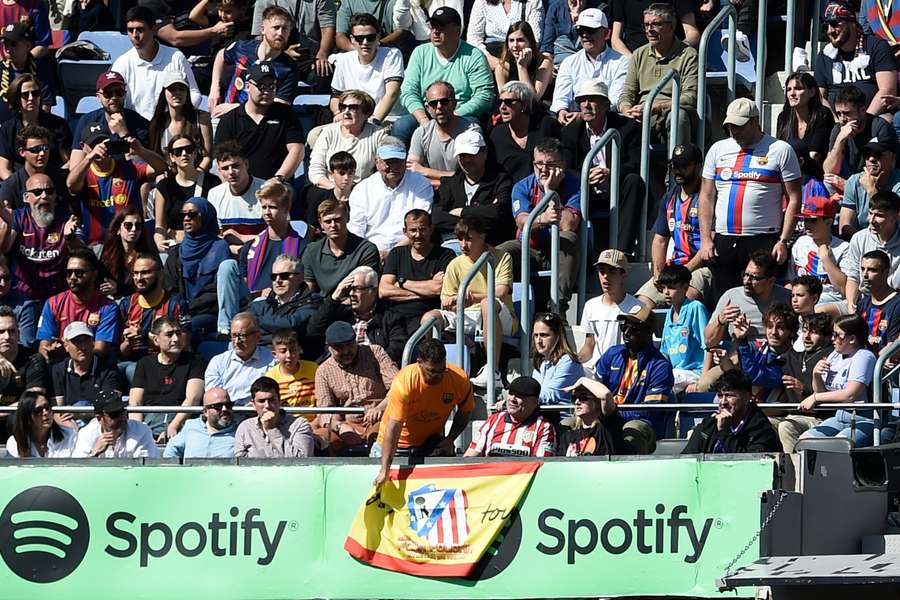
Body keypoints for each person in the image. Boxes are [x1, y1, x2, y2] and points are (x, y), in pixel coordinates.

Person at [698, 98, 803, 300]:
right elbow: (706, 195)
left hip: (762, 236)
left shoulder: (780, 150)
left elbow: (794, 199)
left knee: (762, 295)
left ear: (755, 122)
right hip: (725, 236)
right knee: (725, 297)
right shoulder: (718, 149)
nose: (735, 131)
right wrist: (705, 239)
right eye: (730, 126)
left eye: (740, 126)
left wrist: (783, 240)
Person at [423, 215, 517, 388]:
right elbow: (446, 298)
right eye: (460, 239)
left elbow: (502, 292)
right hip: (466, 315)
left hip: (498, 314)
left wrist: (472, 297)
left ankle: (493, 371)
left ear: (483, 236)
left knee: (486, 304)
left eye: (469, 239)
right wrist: (450, 301)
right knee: (429, 318)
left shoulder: (502, 257)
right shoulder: (455, 263)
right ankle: (429, 366)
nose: (463, 244)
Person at [372, 339, 474, 489]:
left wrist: (450, 438)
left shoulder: (459, 379)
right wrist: (385, 469)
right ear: (419, 363)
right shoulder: (405, 381)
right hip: (396, 446)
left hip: (429, 447)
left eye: (442, 370)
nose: (438, 376)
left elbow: (466, 411)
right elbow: (394, 427)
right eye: (432, 371)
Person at [561, 79, 645, 255]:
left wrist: (611, 173)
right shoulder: (570, 132)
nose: (586, 105)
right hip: (586, 190)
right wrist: (586, 176)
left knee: (634, 182)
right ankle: (573, 255)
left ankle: (622, 252)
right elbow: (566, 168)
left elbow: (635, 163)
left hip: (617, 186)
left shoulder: (628, 127)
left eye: (592, 99)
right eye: (582, 101)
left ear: (606, 104)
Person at [500, 137, 581, 313]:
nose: (544, 169)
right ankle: (499, 304)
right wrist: (544, 218)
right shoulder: (522, 186)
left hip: (559, 249)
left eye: (550, 164)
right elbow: (522, 222)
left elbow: (568, 224)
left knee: (569, 238)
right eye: (538, 164)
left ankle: (557, 307)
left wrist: (549, 191)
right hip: (528, 249)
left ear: (563, 164)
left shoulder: (574, 184)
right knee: (500, 252)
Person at [0, 173, 79, 347]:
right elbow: (3, 249)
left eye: (48, 191)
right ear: (26, 197)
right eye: (37, 192)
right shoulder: (19, 218)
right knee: (27, 346)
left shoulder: (65, 219)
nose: (44, 196)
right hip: (23, 299)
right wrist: (6, 225)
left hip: (57, 299)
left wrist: (70, 238)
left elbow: (82, 257)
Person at [396, 7, 495, 144]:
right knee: (402, 126)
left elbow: (484, 96)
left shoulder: (474, 56)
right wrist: (424, 120)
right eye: (433, 27)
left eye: (441, 27)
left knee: (471, 129)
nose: (435, 31)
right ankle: (397, 164)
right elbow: (408, 91)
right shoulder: (420, 53)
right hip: (427, 113)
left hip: (461, 114)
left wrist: (452, 116)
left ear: (457, 30)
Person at [635, 143, 709, 308]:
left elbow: (709, 244)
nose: (677, 170)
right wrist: (658, 274)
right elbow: (660, 240)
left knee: (684, 300)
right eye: (674, 165)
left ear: (699, 167)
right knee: (640, 306)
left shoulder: (708, 196)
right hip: (675, 266)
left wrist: (683, 272)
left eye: (684, 166)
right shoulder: (669, 198)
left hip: (702, 267)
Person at [66, 128, 167, 248]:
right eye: (94, 145)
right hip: (95, 246)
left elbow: (161, 168)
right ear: (83, 146)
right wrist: (89, 157)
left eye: (104, 143)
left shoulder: (130, 168)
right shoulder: (83, 174)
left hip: (128, 244)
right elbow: (71, 184)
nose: (100, 148)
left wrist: (141, 150)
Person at [617, 3, 698, 147]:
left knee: (677, 117)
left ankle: (676, 167)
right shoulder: (638, 54)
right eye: (646, 25)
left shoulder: (688, 55)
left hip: (670, 112)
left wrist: (656, 107)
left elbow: (690, 97)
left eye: (656, 24)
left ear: (671, 27)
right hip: (641, 116)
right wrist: (627, 110)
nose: (649, 30)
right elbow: (626, 93)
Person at [594, 304, 673, 450]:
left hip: (642, 423)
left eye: (634, 328)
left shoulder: (660, 366)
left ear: (649, 332)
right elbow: (594, 389)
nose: (627, 332)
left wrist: (613, 412)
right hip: (607, 414)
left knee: (632, 429)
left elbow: (651, 410)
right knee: (571, 423)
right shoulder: (612, 354)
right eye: (624, 326)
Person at [314, 321, 398, 453]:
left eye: (349, 345)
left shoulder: (375, 352)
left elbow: (398, 387)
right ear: (329, 348)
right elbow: (325, 410)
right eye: (339, 348)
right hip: (347, 424)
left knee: (382, 434)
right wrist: (340, 427)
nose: (346, 351)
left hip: (380, 419)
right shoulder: (323, 371)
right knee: (321, 438)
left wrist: (380, 408)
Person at [213, 62, 305, 182]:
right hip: (241, 186)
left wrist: (278, 179)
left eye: (271, 87)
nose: (266, 91)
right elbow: (222, 160)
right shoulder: (230, 120)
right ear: (247, 86)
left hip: (278, 187)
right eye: (261, 86)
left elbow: (297, 150)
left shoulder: (286, 114)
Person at [111, 6, 202, 121]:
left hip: (170, 127)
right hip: (136, 130)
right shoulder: (122, 63)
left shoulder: (175, 57)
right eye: (130, 30)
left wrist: (179, 117)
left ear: (154, 29)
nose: (135, 35)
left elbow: (194, 94)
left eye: (140, 29)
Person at [800, 314, 878, 447]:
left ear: (852, 338)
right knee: (805, 442)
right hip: (839, 418)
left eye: (837, 335)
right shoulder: (835, 354)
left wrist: (815, 397)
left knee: (837, 446)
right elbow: (822, 391)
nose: (832, 339)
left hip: (862, 419)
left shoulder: (864, 357)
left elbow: (850, 395)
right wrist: (816, 375)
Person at [347, 137, 433, 255]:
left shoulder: (420, 183)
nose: (393, 167)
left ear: (405, 161)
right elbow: (356, 230)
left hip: (410, 250)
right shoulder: (362, 189)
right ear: (377, 162)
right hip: (370, 251)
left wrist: (391, 254)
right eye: (388, 162)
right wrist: (370, 253)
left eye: (397, 161)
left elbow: (421, 225)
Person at [307, 266, 407, 364]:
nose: (351, 293)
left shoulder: (390, 317)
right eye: (349, 289)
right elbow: (313, 330)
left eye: (357, 289)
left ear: (373, 291)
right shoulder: (340, 313)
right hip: (337, 370)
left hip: (374, 371)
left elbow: (397, 349)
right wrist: (334, 297)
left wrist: (368, 365)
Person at [210, 5, 299, 114]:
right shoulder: (243, 48)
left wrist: (233, 108)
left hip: (260, 124)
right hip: (226, 117)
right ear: (262, 29)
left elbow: (279, 106)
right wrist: (214, 88)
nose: (280, 33)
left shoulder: (289, 68)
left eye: (285, 29)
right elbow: (221, 55)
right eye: (276, 27)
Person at [162, 197, 233, 334]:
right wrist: (181, 306)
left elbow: (218, 289)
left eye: (193, 214)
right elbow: (169, 286)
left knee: (187, 329)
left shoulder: (219, 248)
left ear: (206, 216)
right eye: (183, 214)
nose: (187, 218)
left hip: (210, 312)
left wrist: (191, 306)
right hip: (181, 312)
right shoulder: (177, 252)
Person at [128, 316, 204, 442]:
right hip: (150, 419)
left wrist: (173, 426)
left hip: (181, 418)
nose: (176, 339)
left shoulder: (195, 361)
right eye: (169, 334)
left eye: (178, 333)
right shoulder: (144, 364)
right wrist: (139, 432)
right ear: (156, 340)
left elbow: (192, 400)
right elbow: (135, 402)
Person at [432, 129, 515, 244]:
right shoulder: (450, 183)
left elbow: (498, 213)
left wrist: (462, 212)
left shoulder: (501, 180)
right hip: (453, 243)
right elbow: (436, 217)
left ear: (484, 153)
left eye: (471, 155)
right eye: (462, 155)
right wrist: (479, 219)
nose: (466, 160)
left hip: (490, 246)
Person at [379, 209, 455, 334]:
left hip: (424, 317)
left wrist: (403, 283)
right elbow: (383, 291)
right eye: (413, 230)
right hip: (394, 318)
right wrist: (425, 292)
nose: (418, 235)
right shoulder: (396, 254)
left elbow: (438, 288)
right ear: (405, 232)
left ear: (431, 229)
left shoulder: (445, 255)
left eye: (423, 229)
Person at [814, 1, 897, 115]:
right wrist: (837, 123)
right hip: (837, 123)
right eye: (825, 26)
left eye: (834, 23)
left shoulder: (877, 47)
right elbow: (820, 97)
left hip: (874, 118)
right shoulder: (825, 56)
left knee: (886, 121)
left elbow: (887, 91)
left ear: (852, 22)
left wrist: (864, 121)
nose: (830, 30)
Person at [232, 180, 309, 301]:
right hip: (252, 304)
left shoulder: (303, 247)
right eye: (264, 207)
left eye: (272, 207)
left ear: (286, 208)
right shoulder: (249, 247)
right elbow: (244, 287)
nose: (267, 212)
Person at [37, 249, 121, 360]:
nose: (72, 277)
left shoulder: (108, 307)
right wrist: (50, 352)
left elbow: (100, 351)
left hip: (92, 367)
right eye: (69, 273)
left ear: (94, 274)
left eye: (79, 273)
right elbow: (43, 348)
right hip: (58, 365)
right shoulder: (53, 303)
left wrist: (66, 353)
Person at [550, 9, 630, 125]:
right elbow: (560, 97)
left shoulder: (622, 62)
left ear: (606, 33)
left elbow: (615, 100)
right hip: (573, 124)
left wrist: (584, 114)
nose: (585, 35)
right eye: (581, 30)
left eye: (591, 30)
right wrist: (561, 111)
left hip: (607, 122)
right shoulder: (569, 62)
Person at [706, 250, 793, 347]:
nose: (747, 281)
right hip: (741, 352)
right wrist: (720, 321)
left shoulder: (787, 298)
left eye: (754, 278)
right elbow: (709, 341)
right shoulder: (731, 297)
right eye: (746, 274)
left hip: (778, 355)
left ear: (770, 281)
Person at [682, 370, 782, 454]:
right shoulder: (709, 424)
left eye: (729, 396)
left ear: (747, 397)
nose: (723, 402)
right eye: (720, 396)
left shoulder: (761, 430)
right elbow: (686, 459)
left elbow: (749, 466)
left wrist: (724, 432)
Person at [330, 13, 404, 126]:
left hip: (386, 119)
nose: (365, 42)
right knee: (313, 135)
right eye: (359, 38)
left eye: (370, 38)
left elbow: (392, 93)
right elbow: (335, 98)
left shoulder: (392, 54)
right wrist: (339, 113)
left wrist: (374, 121)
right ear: (352, 39)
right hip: (352, 121)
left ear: (378, 37)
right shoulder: (344, 60)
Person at [69, 70, 151, 171]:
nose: (114, 97)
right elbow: (74, 168)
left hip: (129, 180)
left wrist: (124, 133)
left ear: (124, 94)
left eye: (119, 92)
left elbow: (140, 167)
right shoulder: (87, 121)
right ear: (98, 97)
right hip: (97, 178)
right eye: (108, 93)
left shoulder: (138, 122)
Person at [152, 134, 221, 252]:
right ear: (172, 157)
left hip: (206, 245)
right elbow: (160, 227)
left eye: (188, 150)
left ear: (195, 153)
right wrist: (160, 242)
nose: (184, 154)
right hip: (174, 246)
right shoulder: (165, 186)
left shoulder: (213, 182)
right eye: (178, 151)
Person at [577, 249, 642, 373]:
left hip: (625, 370)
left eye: (612, 272)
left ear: (623, 275)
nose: (606, 277)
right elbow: (589, 345)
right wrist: (574, 359)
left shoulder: (637, 307)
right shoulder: (590, 306)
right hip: (596, 369)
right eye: (602, 271)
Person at [119, 253, 190, 365]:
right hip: (130, 361)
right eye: (135, 273)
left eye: (145, 273)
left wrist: (144, 336)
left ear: (160, 274)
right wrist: (128, 342)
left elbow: (183, 345)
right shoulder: (126, 304)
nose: (139, 278)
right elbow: (121, 352)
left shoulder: (175, 303)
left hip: (163, 363)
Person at [302, 199, 381, 296]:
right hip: (320, 307)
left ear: (347, 218)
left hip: (353, 304)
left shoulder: (366, 250)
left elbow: (364, 293)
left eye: (337, 220)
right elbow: (308, 291)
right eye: (327, 221)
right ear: (321, 223)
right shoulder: (312, 251)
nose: (333, 225)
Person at [249, 0, 336, 87]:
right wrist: (282, 55)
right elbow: (259, 38)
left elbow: (328, 26)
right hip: (276, 57)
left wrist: (322, 55)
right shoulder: (264, 1)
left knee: (324, 71)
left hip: (312, 57)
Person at [779, 313, 834, 451]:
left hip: (820, 418)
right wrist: (742, 341)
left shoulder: (832, 357)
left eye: (814, 332)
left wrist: (804, 389)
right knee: (763, 424)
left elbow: (833, 395)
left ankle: (794, 471)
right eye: (805, 331)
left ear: (827, 337)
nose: (807, 336)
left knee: (786, 426)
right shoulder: (793, 357)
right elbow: (757, 374)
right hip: (792, 415)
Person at [408, 81, 480, 187]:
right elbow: (411, 171)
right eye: (433, 104)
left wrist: (426, 172)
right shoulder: (421, 133)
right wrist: (449, 180)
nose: (439, 107)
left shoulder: (471, 131)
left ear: (454, 103)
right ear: (427, 108)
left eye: (444, 102)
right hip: (431, 193)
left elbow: (471, 175)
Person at [309, 89, 386, 187]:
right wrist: (334, 188)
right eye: (343, 107)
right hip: (330, 187)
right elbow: (315, 169)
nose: (346, 112)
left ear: (366, 113)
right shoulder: (329, 131)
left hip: (363, 190)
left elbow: (385, 168)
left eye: (353, 108)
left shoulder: (378, 134)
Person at [465, 375, 556, 457]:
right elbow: (470, 456)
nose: (512, 399)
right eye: (511, 393)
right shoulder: (493, 420)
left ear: (535, 402)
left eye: (520, 396)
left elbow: (541, 464)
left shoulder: (544, 427)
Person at [0, 74, 70, 180]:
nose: (31, 98)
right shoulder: (7, 129)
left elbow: (68, 162)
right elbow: (4, 169)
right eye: (25, 95)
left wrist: (50, 183)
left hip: (52, 184)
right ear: (17, 98)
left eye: (35, 93)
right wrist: (18, 188)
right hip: (18, 184)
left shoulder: (58, 125)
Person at [823, 85, 897, 184]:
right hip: (852, 178)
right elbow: (829, 170)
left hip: (877, 182)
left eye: (847, 113)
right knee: (828, 180)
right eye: (839, 114)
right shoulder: (838, 129)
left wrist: (849, 185)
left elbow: (884, 171)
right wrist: (840, 140)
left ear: (862, 110)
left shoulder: (880, 128)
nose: (842, 119)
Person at [489, 80, 560, 182]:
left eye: (509, 102)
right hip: (510, 193)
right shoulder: (497, 135)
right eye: (500, 102)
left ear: (524, 105)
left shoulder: (546, 126)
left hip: (546, 188)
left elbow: (561, 160)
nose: (502, 107)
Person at [49, 322, 121, 420]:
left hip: (98, 423)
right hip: (68, 423)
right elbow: (58, 410)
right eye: (77, 342)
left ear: (92, 343)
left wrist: (78, 412)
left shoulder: (108, 369)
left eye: (86, 340)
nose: (83, 347)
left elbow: (109, 407)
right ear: (66, 346)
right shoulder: (58, 370)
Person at [844, 191, 900, 312]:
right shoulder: (859, 238)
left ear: (896, 216)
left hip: (895, 303)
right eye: (870, 214)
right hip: (864, 300)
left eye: (879, 215)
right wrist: (851, 305)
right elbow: (853, 277)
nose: (871, 220)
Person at [146, 71, 213, 172]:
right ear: (164, 93)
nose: (177, 93)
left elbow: (207, 157)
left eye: (181, 89)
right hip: (168, 180)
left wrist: (194, 177)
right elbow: (154, 158)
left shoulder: (201, 119)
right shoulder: (157, 123)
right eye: (172, 89)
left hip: (197, 177)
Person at [250, 254, 322, 346]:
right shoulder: (259, 305)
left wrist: (257, 322)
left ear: (300, 278)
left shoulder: (313, 302)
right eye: (274, 276)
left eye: (284, 275)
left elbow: (290, 325)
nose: (278, 280)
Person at [790, 193, 849, 305]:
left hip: (830, 301)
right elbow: (791, 280)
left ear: (828, 222)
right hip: (801, 300)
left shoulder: (843, 248)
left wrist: (826, 259)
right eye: (805, 220)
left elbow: (844, 288)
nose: (807, 224)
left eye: (813, 220)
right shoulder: (800, 242)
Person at [235, 375, 315, 457]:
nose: (267, 405)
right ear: (253, 404)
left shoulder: (299, 425)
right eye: (261, 401)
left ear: (280, 401)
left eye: (271, 400)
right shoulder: (245, 428)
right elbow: (240, 463)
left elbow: (303, 461)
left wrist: (272, 430)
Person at [656, 264, 707, 393]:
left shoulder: (696, 308)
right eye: (663, 288)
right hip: (675, 373)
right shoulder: (669, 313)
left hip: (694, 372)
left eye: (672, 287)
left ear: (685, 287)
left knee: (662, 381)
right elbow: (664, 352)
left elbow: (708, 346)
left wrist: (703, 380)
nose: (666, 292)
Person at [206, 142, 266, 251]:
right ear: (219, 170)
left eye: (235, 166)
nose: (231, 172)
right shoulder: (214, 194)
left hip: (262, 252)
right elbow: (214, 237)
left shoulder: (266, 190)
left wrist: (243, 239)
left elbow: (278, 236)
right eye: (225, 168)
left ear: (246, 164)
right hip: (229, 253)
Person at [205, 313, 274, 406]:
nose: (237, 341)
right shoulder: (218, 362)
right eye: (233, 335)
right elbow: (213, 397)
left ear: (258, 336)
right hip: (226, 413)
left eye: (242, 336)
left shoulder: (272, 360)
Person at [73, 390, 159, 458]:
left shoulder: (141, 431)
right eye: (114, 415)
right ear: (99, 418)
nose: (122, 418)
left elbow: (145, 468)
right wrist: (95, 453)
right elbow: (78, 472)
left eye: (122, 412)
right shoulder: (86, 434)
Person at [840, 139, 900, 235]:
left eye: (878, 154)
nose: (871, 159)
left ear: (893, 159)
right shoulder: (854, 181)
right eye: (867, 155)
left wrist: (871, 190)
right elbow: (845, 227)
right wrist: (865, 242)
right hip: (861, 241)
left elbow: (894, 226)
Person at [0, 124, 66, 210]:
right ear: (22, 152)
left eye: (45, 148)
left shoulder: (61, 179)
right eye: (35, 150)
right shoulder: (11, 186)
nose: (42, 153)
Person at [98, 208, 157, 300]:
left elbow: (150, 288)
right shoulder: (105, 253)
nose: (133, 229)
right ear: (118, 229)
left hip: (137, 304)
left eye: (138, 226)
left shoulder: (148, 256)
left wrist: (118, 289)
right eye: (128, 225)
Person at [776, 72, 836, 162]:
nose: (792, 93)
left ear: (812, 92)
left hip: (816, 170)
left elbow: (815, 154)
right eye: (789, 89)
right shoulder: (784, 117)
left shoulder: (823, 114)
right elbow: (780, 150)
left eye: (798, 89)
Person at [163, 387, 237, 459]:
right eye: (218, 406)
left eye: (228, 405)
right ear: (205, 412)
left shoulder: (238, 431)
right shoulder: (191, 426)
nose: (225, 409)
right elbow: (171, 451)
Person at [467, 0, 543, 69]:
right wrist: (489, 59)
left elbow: (535, 38)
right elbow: (473, 37)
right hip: (490, 53)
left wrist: (521, 61)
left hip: (520, 52)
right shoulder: (482, 2)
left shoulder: (533, 2)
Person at [558, 377, 622, 456]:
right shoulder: (567, 436)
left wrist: (582, 380)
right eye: (574, 398)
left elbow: (605, 395)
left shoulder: (607, 428)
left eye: (583, 398)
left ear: (598, 403)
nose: (577, 402)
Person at [0, 306, 49, 407]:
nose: (7, 337)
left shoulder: (34, 359)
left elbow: (34, 400)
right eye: (1, 332)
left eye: (12, 331)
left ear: (19, 334)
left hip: (20, 420)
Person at [610, 0, 700, 55]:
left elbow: (692, 33)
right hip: (633, 59)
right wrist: (633, 60)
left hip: (671, 59)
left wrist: (677, 51)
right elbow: (615, 39)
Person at [531, 312, 583, 405]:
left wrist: (523, 399)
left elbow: (551, 395)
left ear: (557, 336)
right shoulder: (540, 363)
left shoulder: (568, 362)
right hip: (541, 415)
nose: (538, 341)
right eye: (536, 335)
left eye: (544, 335)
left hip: (563, 417)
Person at [5, 391, 77, 458]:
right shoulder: (14, 443)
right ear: (27, 417)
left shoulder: (70, 436)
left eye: (47, 407)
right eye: (38, 410)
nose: (45, 413)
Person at [494, 22, 553, 102]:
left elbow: (533, 99)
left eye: (520, 40)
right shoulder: (502, 67)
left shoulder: (544, 62)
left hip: (541, 109)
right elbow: (503, 99)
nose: (515, 45)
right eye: (511, 40)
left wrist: (522, 67)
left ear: (530, 43)